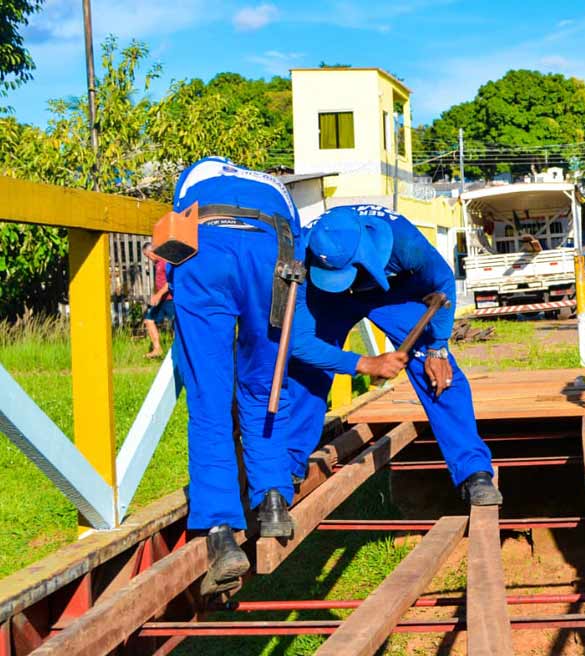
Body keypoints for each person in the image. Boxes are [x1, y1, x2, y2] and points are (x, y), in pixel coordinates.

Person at [286, 204, 502, 505]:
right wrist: (362, 363)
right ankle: (288, 467)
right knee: (308, 370)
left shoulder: (405, 243)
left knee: (437, 371)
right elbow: (299, 343)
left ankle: (473, 472)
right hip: (329, 299)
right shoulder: (304, 254)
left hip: (393, 293)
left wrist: (437, 347)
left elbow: (443, 282)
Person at [167, 157, 307, 595]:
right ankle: (272, 501)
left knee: (209, 398)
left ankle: (221, 532)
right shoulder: (275, 184)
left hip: (205, 251)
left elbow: (175, 231)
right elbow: (297, 245)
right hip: (271, 255)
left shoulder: (196, 175)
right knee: (264, 388)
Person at [142, 243, 174, 358]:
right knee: (149, 320)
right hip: (161, 299)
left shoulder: (166, 262)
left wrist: (158, 295)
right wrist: (156, 295)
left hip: (170, 299)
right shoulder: (157, 264)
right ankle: (157, 349)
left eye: (148, 255)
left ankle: (181, 352)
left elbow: (170, 282)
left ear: (153, 251)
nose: (148, 259)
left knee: (177, 325)